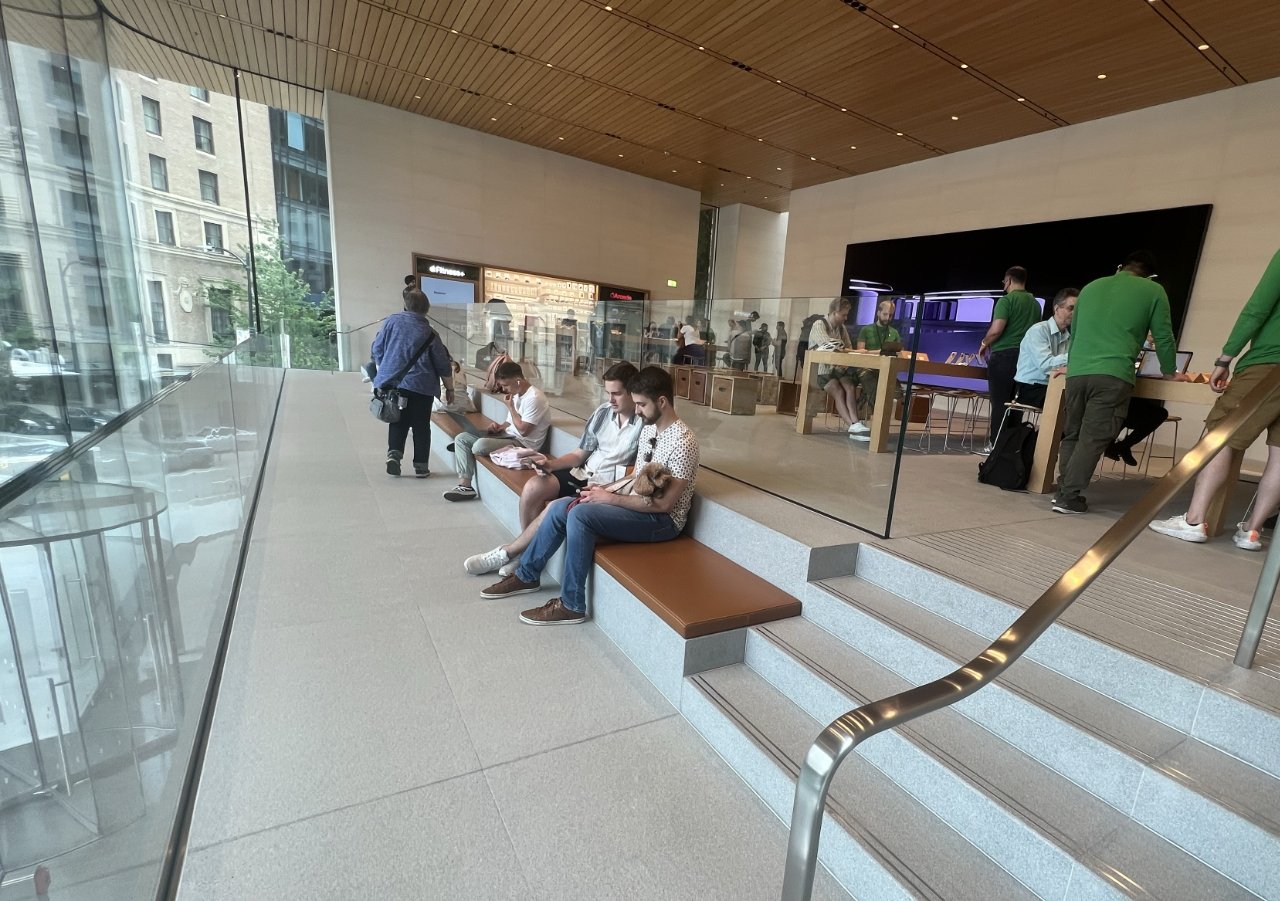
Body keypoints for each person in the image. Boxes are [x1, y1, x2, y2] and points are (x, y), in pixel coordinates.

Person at [478, 366, 700, 626]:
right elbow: (635, 478)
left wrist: (611, 500)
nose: (637, 411)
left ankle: (572, 604)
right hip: (639, 504)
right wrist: (601, 491)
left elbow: (664, 505)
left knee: (581, 514)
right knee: (563, 505)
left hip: (662, 522)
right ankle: (527, 575)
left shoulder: (684, 443)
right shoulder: (651, 429)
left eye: (641, 404)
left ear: (661, 401)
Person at [1150, 248, 1280, 549]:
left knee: (1220, 435)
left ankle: (1194, 520)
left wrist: (1225, 357)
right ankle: (1251, 530)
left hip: (1269, 363)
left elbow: (1257, 309)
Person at [463, 362, 643, 577]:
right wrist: (549, 464)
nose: (610, 400)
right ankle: (525, 552)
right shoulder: (603, 414)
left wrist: (606, 490)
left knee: (556, 506)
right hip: (585, 474)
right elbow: (578, 455)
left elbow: (638, 474)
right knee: (534, 486)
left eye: (617, 394)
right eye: (608, 393)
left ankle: (512, 553)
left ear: (633, 392)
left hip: (609, 486)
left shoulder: (644, 425)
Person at [1053, 251, 1183, 515]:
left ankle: (1063, 490)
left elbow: (1075, 332)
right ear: (1150, 275)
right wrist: (1170, 371)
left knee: (1074, 432)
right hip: (1112, 373)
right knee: (1093, 436)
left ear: (1121, 267)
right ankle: (1069, 496)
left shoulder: (1090, 288)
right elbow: (1163, 336)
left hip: (1077, 373)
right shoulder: (1153, 291)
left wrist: (1073, 365)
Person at [370, 288, 454, 478]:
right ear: (426, 309)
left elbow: (377, 348)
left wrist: (385, 368)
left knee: (397, 419)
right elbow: (443, 364)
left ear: (406, 305)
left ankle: (394, 455)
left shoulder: (391, 322)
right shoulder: (431, 334)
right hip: (422, 387)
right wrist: (449, 388)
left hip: (396, 384)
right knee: (421, 426)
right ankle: (421, 466)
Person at [443, 361, 550, 501]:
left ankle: (469, 447)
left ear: (518, 381)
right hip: (509, 436)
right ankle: (465, 486)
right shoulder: (517, 393)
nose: (504, 389)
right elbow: (510, 423)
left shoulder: (535, 398)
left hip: (523, 444)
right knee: (461, 438)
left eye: (505, 385)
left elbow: (524, 431)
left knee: (479, 445)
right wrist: (499, 427)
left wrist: (510, 407)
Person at [978, 266, 1040, 448]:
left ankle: (995, 445)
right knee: (1016, 404)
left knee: (1000, 403)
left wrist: (984, 344)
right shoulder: (1035, 304)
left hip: (1004, 356)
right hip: (1025, 360)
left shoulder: (1007, 301)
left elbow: (997, 330)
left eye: (1004, 282)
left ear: (1009, 281)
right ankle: (1011, 445)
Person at [1011, 288, 1077, 411]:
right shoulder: (1039, 330)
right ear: (1056, 309)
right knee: (1071, 405)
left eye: (1077, 309)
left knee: (1080, 400)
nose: (1075, 313)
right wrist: (1075, 357)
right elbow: (1046, 365)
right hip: (1029, 388)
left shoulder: (1069, 336)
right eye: (1071, 308)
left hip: (1052, 386)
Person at [808, 297, 862, 438]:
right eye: (843, 315)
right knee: (838, 391)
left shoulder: (842, 328)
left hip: (838, 369)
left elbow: (847, 347)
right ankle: (852, 425)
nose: (845, 318)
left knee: (850, 386)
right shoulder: (819, 324)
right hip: (821, 372)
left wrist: (843, 352)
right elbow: (828, 347)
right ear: (834, 312)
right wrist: (842, 349)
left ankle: (856, 423)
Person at [851, 299, 902, 433]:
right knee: (873, 386)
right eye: (885, 314)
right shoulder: (866, 330)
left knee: (897, 392)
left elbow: (899, 352)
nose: (888, 318)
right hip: (866, 368)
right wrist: (878, 352)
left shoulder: (894, 333)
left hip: (885, 369)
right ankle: (878, 421)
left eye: (890, 315)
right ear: (878, 312)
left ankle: (885, 420)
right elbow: (860, 352)